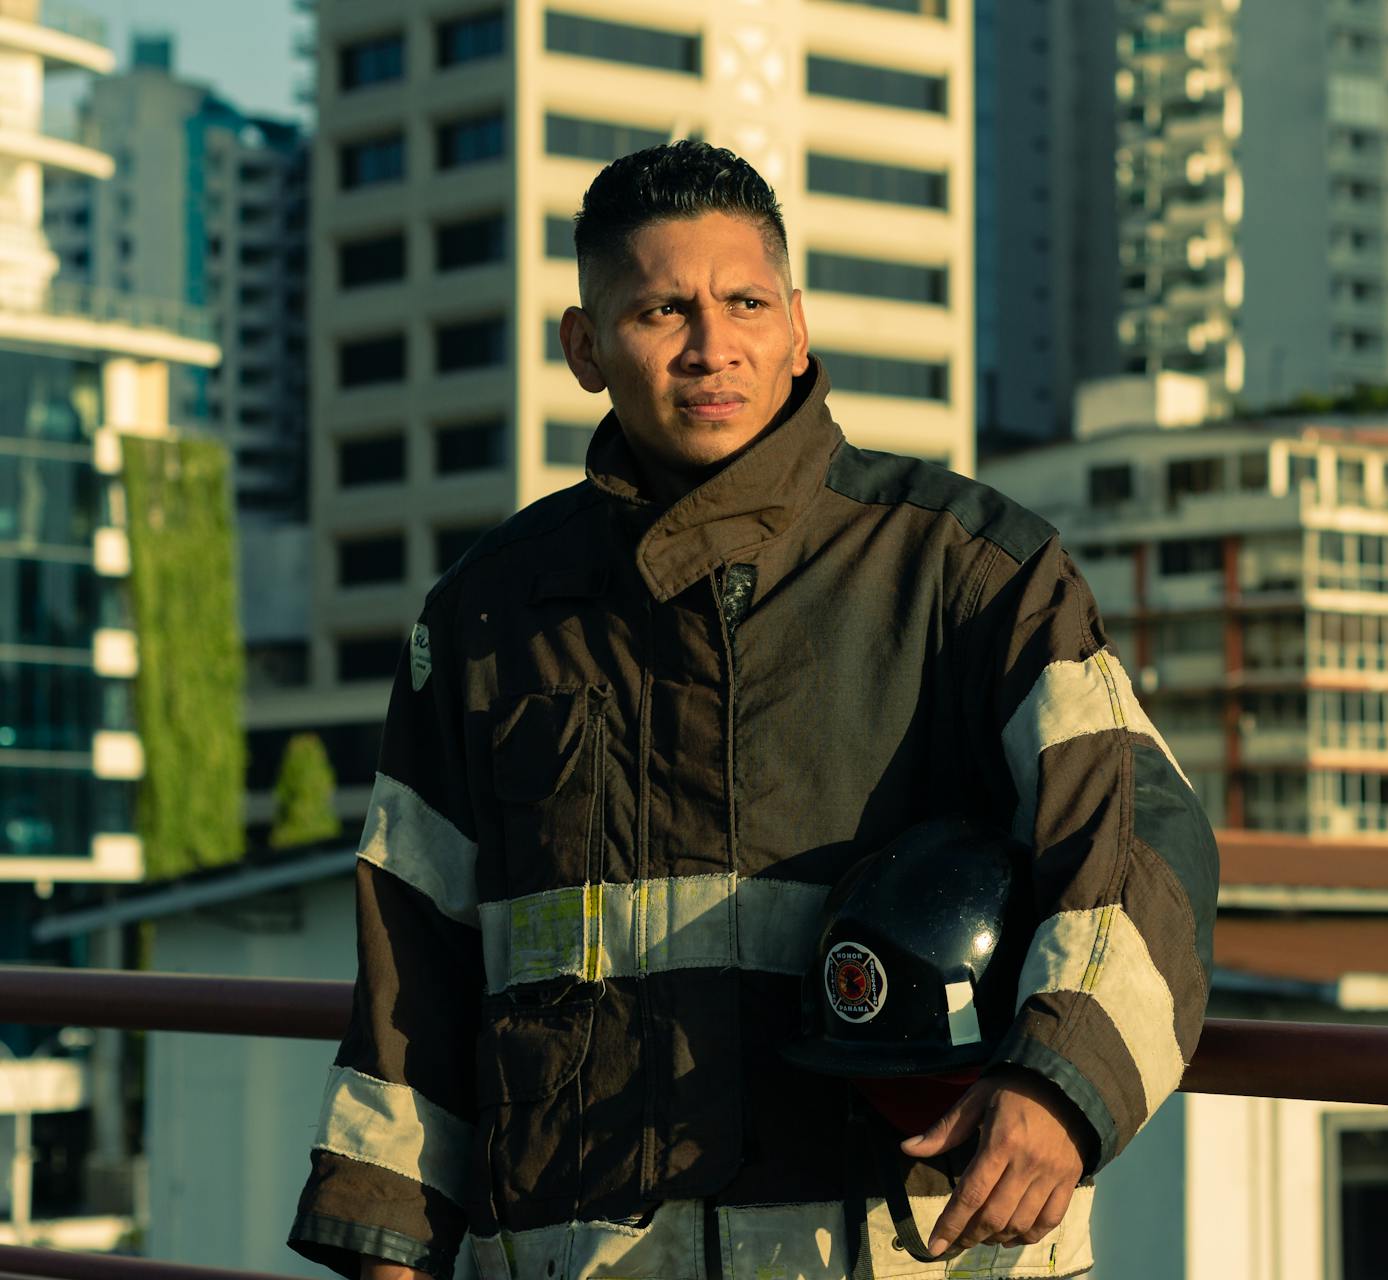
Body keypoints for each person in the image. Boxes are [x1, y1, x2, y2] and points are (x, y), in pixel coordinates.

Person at [287, 139, 1217, 1280]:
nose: (711, 344)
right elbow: (409, 973)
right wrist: (389, 1249)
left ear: (798, 327)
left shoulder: (967, 572)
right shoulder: (488, 615)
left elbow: (1143, 841)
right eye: (661, 310)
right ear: (586, 348)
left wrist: (1060, 1085)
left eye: (744, 301)